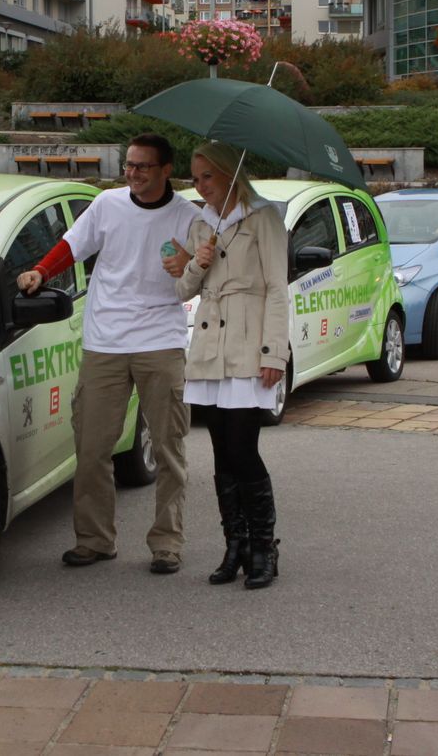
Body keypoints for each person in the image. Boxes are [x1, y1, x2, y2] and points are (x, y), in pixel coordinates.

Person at [16, 133, 201, 574]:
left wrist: (193, 262)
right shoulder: (107, 205)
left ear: (165, 170)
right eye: (129, 165)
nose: (132, 174)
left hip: (161, 342)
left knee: (169, 447)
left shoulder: (190, 217)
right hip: (106, 343)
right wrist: (41, 271)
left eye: (142, 167)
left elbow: (203, 271)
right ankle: (95, 539)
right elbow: (72, 245)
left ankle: (166, 543)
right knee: (93, 447)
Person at [172, 142, 288, 589]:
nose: (199, 185)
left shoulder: (264, 218)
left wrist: (274, 352)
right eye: (195, 177)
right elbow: (182, 291)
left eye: (207, 177)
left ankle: (264, 547)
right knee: (221, 455)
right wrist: (196, 264)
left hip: (247, 344)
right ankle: (234, 546)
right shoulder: (203, 224)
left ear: (229, 175)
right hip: (208, 345)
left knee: (243, 449)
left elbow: (278, 288)